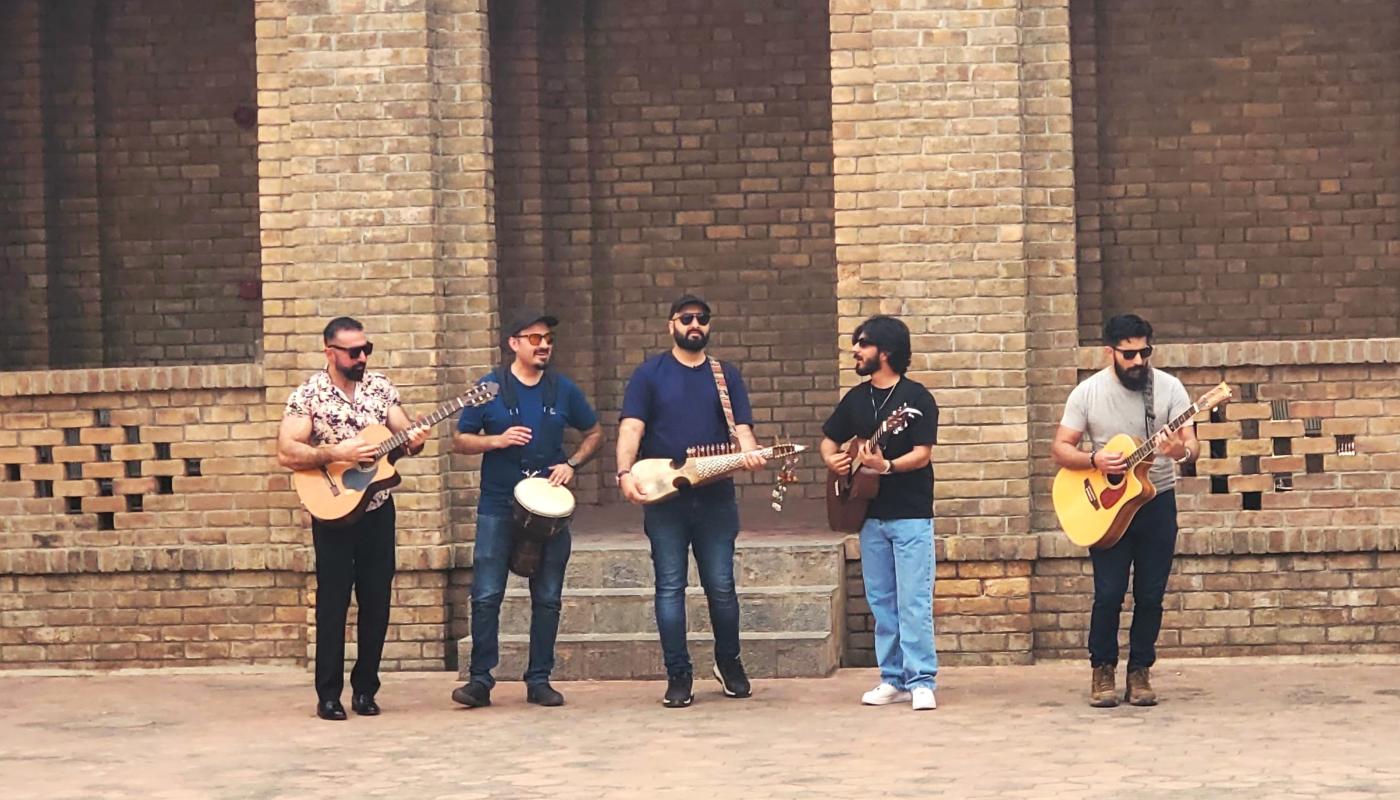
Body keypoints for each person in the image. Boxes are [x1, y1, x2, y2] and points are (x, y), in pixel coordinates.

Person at [615, 294, 765, 708]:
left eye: (702, 319)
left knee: (721, 587)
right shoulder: (649, 374)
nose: (695, 324)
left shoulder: (724, 375)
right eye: (686, 318)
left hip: (715, 498)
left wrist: (749, 454)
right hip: (665, 498)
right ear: (672, 325)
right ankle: (678, 675)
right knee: (669, 587)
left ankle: (728, 663)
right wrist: (625, 472)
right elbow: (631, 428)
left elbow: (743, 430)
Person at [277, 316, 430, 721]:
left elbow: (402, 434)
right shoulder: (308, 395)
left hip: (377, 510)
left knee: (377, 601)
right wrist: (336, 454)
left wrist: (415, 439)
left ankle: (366, 689)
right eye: (353, 351)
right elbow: (286, 452)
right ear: (330, 353)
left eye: (367, 349)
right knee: (333, 603)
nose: (362, 357)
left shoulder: (381, 388)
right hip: (332, 511)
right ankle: (328, 694)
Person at [450, 309, 602, 709]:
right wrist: (496, 441)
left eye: (548, 338)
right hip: (498, 504)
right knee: (486, 594)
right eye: (534, 338)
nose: (544, 345)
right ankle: (480, 680)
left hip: (548, 509)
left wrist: (571, 464)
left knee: (548, 595)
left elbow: (595, 432)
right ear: (513, 344)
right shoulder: (489, 387)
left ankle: (539, 679)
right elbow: (460, 439)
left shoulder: (563, 389)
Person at [1051, 313, 1197, 707]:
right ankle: (1102, 671)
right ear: (1109, 352)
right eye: (1129, 354)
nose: (1138, 361)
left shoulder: (1169, 389)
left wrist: (1176, 451)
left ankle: (1140, 673)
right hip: (1108, 509)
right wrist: (1095, 460)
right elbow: (1061, 447)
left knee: (1150, 594)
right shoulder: (1088, 393)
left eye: (1144, 352)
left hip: (1156, 502)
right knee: (1109, 594)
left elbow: (1191, 445)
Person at [819, 315, 940, 711]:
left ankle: (922, 679)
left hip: (910, 514)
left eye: (863, 344)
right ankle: (893, 678)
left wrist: (887, 466)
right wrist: (836, 463)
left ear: (885, 352)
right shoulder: (856, 398)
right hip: (868, 515)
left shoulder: (917, 399)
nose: (855, 350)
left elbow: (923, 454)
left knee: (913, 601)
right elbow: (829, 440)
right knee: (882, 600)